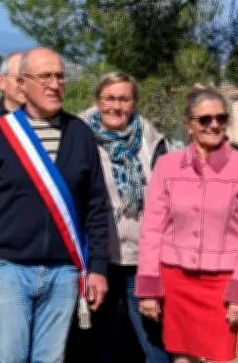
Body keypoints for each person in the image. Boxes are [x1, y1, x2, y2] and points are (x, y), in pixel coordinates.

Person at [0, 47, 111, 363]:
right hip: (8, 269)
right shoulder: (0, 135)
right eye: (45, 76)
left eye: (60, 76)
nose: (55, 84)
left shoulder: (80, 134)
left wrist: (98, 267)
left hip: (64, 271)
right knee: (9, 357)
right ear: (23, 84)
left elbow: (96, 206)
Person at [136, 84, 238, 363]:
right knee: (181, 356)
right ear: (188, 125)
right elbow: (152, 230)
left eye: (221, 118)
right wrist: (149, 287)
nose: (214, 125)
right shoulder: (167, 166)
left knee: (220, 356)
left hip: (222, 283)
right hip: (175, 280)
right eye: (205, 119)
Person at [77, 72, 170, 363]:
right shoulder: (79, 139)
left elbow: (167, 201)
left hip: (141, 260)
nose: (116, 107)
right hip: (97, 261)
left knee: (152, 342)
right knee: (99, 342)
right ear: (98, 101)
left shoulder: (152, 142)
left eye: (124, 99)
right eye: (109, 98)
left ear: (134, 103)